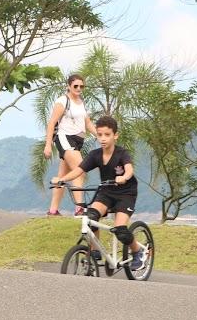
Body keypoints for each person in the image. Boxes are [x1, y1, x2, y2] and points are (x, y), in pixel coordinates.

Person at [52, 115, 148, 270]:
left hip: (126, 194)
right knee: (90, 217)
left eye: (107, 135)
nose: (103, 138)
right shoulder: (95, 155)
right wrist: (61, 179)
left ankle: (138, 253)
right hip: (106, 192)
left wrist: (124, 177)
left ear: (115, 136)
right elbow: (78, 170)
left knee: (121, 231)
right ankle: (95, 252)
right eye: (99, 135)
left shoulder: (122, 153)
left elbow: (129, 170)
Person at [43, 73, 96, 216]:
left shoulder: (81, 102)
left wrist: (100, 135)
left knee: (63, 175)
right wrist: (48, 145)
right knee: (80, 169)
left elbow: (88, 122)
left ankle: (53, 210)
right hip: (65, 137)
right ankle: (79, 208)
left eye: (81, 86)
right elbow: (52, 122)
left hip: (78, 141)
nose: (79, 88)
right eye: (76, 86)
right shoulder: (63, 101)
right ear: (69, 86)